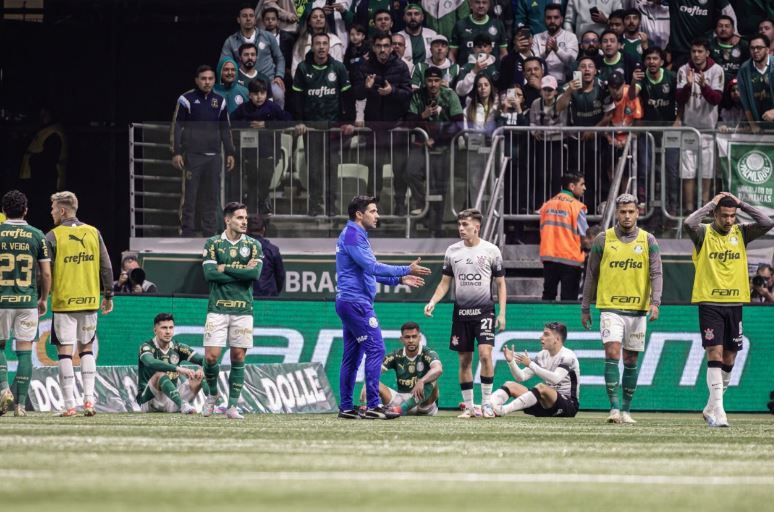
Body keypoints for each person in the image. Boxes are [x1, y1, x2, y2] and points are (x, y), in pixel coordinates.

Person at [683, 192, 774, 427]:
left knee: (730, 357)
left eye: (733, 216)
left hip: (735, 303)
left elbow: (767, 223)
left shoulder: (741, 232)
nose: (729, 220)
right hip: (710, 301)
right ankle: (720, 412)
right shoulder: (703, 233)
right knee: (714, 352)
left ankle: (711, 405)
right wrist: (710, 204)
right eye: (724, 215)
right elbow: (688, 223)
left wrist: (742, 203)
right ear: (715, 214)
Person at [336, 195, 430, 419]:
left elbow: (367, 271)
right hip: (356, 303)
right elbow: (372, 266)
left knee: (352, 357)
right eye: (373, 211)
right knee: (376, 349)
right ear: (359, 214)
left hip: (350, 302)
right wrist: (405, 270)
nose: (377, 215)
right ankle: (374, 406)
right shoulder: (352, 234)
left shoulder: (356, 234)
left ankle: (347, 408)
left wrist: (398, 280)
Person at [581, 193, 663, 424]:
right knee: (612, 353)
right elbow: (591, 275)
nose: (627, 216)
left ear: (638, 213)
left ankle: (626, 410)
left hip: (637, 310)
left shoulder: (649, 241)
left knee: (630, 361)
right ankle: (614, 408)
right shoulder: (602, 240)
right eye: (623, 211)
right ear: (617, 213)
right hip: (610, 308)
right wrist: (585, 307)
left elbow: (656, 274)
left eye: (631, 211)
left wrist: (655, 302)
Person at [424, 208, 506, 419]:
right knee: (464, 361)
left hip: (485, 312)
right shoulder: (452, 251)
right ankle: (470, 407)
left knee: (486, 356)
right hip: (461, 313)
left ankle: (487, 404)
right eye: (459, 225)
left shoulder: (491, 250)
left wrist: (502, 313)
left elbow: (500, 284)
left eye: (465, 225)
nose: (461, 229)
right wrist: (433, 301)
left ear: (476, 227)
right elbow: (444, 283)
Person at [46, 191, 113, 417]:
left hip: (64, 301)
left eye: (54, 208)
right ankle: (89, 402)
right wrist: (109, 294)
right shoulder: (93, 232)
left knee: (65, 352)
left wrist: (43, 294)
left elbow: (45, 271)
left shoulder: (53, 236)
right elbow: (106, 265)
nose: (52, 212)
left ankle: (69, 405)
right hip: (89, 300)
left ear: (63, 211)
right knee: (86, 349)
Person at [200, 202, 262, 420]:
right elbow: (210, 275)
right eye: (239, 218)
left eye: (245, 218)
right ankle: (212, 394)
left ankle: (232, 406)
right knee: (211, 357)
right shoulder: (213, 243)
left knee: (237, 355)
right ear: (227, 220)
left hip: (243, 308)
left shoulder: (254, 245)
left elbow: (254, 275)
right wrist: (241, 271)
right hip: (217, 307)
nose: (244, 222)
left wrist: (225, 267)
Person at [291, 32, 355, 216]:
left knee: (331, 168)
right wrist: (300, 122)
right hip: (312, 127)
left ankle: (330, 205)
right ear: (312, 46)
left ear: (329, 46)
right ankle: (314, 204)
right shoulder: (303, 68)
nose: (321, 47)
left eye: (324, 44)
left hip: (333, 127)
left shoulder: (339, 67)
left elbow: (347, 97)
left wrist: (348, 122)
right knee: (314, 169)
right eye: (317, 43)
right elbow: (297, 99)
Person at [0, 191, 51, 417]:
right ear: (26, 210)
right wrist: (43, 298)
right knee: (24, 351)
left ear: (3, 211)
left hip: (2, 300)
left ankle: (3, 391)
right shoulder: (37, 235)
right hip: (27, 301)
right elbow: (46, 274)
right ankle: (20, 406)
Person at [171, 65, 236, 237]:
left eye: (210, 79)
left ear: (215, 80)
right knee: (190, 198)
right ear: (197, 80)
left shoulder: (220, 101)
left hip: (214, 157)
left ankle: (210, 233)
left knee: (211, 197)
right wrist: (176, 151)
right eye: (203, 79)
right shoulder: (186, 99)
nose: (207, 82)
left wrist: (230, 152)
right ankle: (186, 232)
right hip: (192, 156)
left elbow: (225, 129)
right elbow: (177, 127)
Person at [351, 31, 413, 200]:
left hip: (396, 125)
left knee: (400, 168)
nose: (382, 49)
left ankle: (400, 205)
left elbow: (408, 94)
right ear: (373, 47)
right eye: (379, 46)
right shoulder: (364, 67)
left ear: (392, 47)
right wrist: (365, 87)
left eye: (386, 46)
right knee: (374, 167)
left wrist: (392, 91)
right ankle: (373, 207)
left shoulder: (401, 66)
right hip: (374, 127)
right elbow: (356, 94)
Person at [404, 67, 465, 235]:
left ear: (441, 81)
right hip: (421, 145)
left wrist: (437, 140)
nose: (433, 84)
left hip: (443, 146)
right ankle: (424, 207)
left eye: (436, 81)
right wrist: (422, 116)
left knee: (439, 185)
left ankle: (435, 226)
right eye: (430, 81)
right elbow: (409, 123)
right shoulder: (417, 96)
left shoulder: (449, 95)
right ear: (425, 81)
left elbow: (458, 124)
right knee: (411, 172)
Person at [556, 56, 613, 209]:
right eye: (583, 66)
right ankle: (577, 207)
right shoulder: (569, 87)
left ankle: (599, 207)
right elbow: (558, 108)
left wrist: (593, 131)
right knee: (577, 176)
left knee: (597, 174)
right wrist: (569, 91)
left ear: (595, 71)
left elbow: (609, 115)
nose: (587, 69)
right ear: (577, 71)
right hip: (575, 140)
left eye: (590, 66)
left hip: (597, 139)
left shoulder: (603, 88)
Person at [489, 321, 580, 417]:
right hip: (545, 405)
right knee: (510, 385)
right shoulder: (542, 355)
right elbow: (521, 377)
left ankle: (503, 410)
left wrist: (530, 364)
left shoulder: (568, 356)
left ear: (556, 339)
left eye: (546, 334)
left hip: (568, 406)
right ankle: (488, 406)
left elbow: (555, 379)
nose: (541, 337)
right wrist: (511, 362)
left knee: (541, 387)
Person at [232, 79, 293, 215]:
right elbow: (232, 121)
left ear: (266, 94)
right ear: (249, 95)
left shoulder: (273, 107)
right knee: (253, 184)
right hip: (250, 154)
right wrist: (248, 126)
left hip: (270, 153)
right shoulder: (244, 108)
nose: (259, 96)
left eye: (262, 93)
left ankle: (262, 209)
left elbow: (288, 120)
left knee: (264, 182)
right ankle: (254, 216)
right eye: (255, 93)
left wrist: (266, 125)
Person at [676, 38, 723, 212]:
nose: (696, 54)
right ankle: (689, 209)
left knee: (707, 172)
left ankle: (705, 208)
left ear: (707, 53)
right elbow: (679, 98)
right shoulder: (683, 69)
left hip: (708, 130)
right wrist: (688, 86)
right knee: (687, 171)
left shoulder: (717, 70)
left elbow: (716, 99)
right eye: (694, 51)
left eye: (700, 51)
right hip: (689, 129)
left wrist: (704, 86)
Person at [361, 321, 444, 415]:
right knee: (374, 380)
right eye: (407, 337)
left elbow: (438, 369)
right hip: (400, 400)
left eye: (414, 336)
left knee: (433, 377)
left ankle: (400, 409)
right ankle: (371, 407)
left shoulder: (428, 353)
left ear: (419, 338)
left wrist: (422, 381)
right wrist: (367, 383)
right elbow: (375, 371)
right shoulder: (396, 355)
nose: (411, 340)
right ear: (402, 339)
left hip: (424, 405)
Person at [637, 46, 679, 214]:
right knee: (645, 168)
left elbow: (681, 100)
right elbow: (633, 96)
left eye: (655, 59)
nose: (652, 62)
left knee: (671, 168)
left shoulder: (671, 77)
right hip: (647, 130)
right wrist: (634, 82)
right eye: (649, 59)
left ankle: (673, 206)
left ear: (662, 61)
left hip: (670, 129)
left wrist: (679, 119)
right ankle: (643, 204)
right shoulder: (641, 77)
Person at [136, 313, 205, 414]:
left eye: (171, 328)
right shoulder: (146, 347)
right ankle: (182, 405)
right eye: (164, 328)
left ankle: (214, 404)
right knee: (159, 375)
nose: (168, 332)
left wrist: (202, 369)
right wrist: (178, 369)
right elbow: (150, 362)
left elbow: (205, 361)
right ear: (155, 330)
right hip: (149, 401)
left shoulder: (178, 347)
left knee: (203, 373)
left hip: (172, 400)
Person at [538, 173, 588, 302]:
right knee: (569, 300)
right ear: (572, 186)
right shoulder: (576, 207)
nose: (584, 188)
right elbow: (585, 236)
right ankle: (567, 323)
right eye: (582, 184)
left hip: (549, 257)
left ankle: (545, 322)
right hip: (570, 259)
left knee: (548, 296)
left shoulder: (547, 205)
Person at [224, 6, 287, 108]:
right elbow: (224, 63)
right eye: (244, 16)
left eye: (251, 16)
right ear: (238, 19)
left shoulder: (268, 36)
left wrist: (279, 76)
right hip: (242, 83)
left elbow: (279, 58)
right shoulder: (231, 41)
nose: (248, 19)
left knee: (278, 94)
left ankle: (276, 124)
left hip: (268, 81)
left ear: (255, 19)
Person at [18, 105, 67, 230]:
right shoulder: (46, 130)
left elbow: (49, 159)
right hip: (38, 180)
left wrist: (33, 158)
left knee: (43, 214)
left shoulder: (53, 132)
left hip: (46, 182)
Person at [529, 75, 570, 210]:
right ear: (541, 90)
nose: (547, 92)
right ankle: (542, 204)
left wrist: (545, 131)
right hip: (542, 143)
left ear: (556, 91)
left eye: (550, 90)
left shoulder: (561, 102)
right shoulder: (536, 103)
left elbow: (563, 124)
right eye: (545, 89)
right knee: (541, 175)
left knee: (556, 176)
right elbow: (532, 123)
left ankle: (556, 205)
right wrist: (535, 132)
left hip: (557, 142)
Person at [667, 0, 736, 70]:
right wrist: (668, 49)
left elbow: (727, 9)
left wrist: (735, 33)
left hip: (704, 48)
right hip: (680, 49)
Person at [531, 3, 579, 86]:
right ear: (544, 19)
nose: (552, 21)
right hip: (541, 83)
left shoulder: (571, 37)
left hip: (565, 83)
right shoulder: (536, 38)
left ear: (562, 19)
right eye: (549, 18)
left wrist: (557, 49)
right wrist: (546, 53)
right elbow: (533, 63)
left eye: (556, 17)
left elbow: (571, 61)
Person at [450, 0, 508, 65]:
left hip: (493, 73)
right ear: (471, 5)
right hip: (467, 73)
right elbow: (452, 53)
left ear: (489, 5)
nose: (481, 6)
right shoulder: (460, 25)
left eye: (484, 2)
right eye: (477, 2)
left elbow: (503, 53)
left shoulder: (498, 25)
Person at [737, 34, 774, 134]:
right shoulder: (744, 70)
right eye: (752, 48)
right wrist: (753, 124)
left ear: (767, 49)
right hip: (759, 123)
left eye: (759, 48)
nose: (755, 51)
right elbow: (746, 102)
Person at [248, 214, 286, 297]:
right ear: (263, 229)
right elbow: (280, 276)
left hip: (245, 298)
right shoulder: (272, 250)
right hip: (268, 297)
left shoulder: (237, 249)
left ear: (247, 230)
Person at [709, 15, 748, 91]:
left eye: (727, 26)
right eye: (720, 26)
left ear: (733, 29)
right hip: (715, 86)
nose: (723, 29)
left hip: (738, 86)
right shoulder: (709, 45)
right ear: (716, 29)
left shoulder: (743, 45)